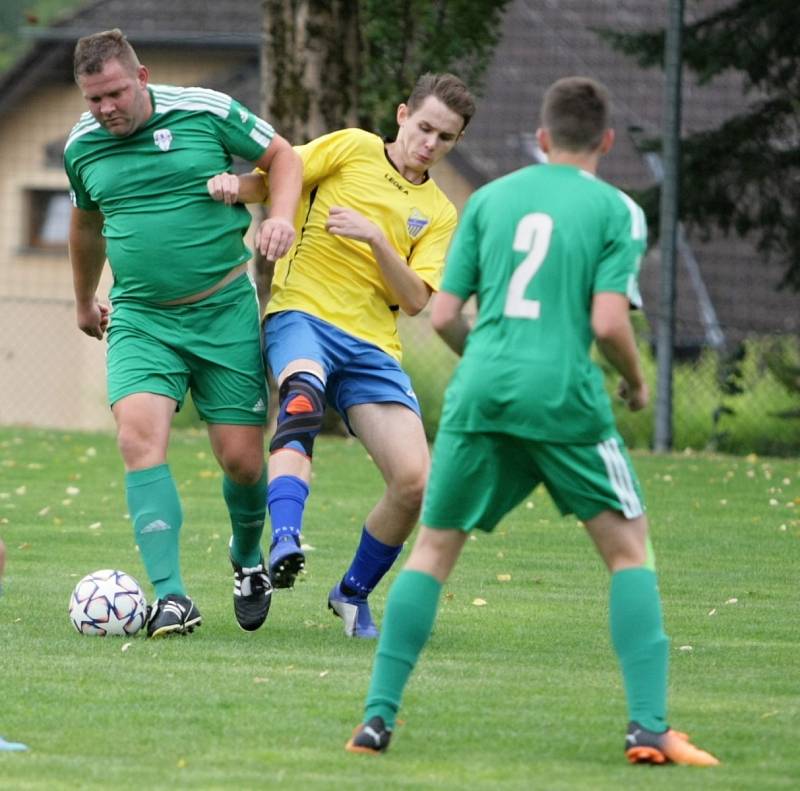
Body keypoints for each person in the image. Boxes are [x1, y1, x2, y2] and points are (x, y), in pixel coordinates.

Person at [345, 77, 720, 766]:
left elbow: (448, 313)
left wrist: (487, 359)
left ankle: (375, 720)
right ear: (605, 141)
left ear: (542, 140)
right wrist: (637, 383)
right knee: (628, 551)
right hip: (563, 400)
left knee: (432, 549)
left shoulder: (487, 200)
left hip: (480, 394)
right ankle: (648, 728)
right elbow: (609, 321)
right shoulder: (618, 211)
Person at [208, 73, 476, 639]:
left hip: (373, 346)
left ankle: (352, 593)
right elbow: (280, 175)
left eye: (445, 138)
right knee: (301, 403)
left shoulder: (441, 213)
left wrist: (377, 238)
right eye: (424, 127)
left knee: (415, 483)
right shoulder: (352, 146)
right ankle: (285, 540)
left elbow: (414, 300)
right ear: (402, 115)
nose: (430, 143)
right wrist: (232, 186)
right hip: (301, 314)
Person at [64, 29, 302, 637]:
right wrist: (84, 301)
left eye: (115, 93)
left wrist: (279, 218)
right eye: (94, 99)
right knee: (137, 439)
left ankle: (247, 560)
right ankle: (172, 597)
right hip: (141, 318)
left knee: (245, 465)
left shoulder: (205, 110)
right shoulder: (82, 147)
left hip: (223, 311)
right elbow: (86, 225)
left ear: (141, 78)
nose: (106, 109)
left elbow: (285, 158)